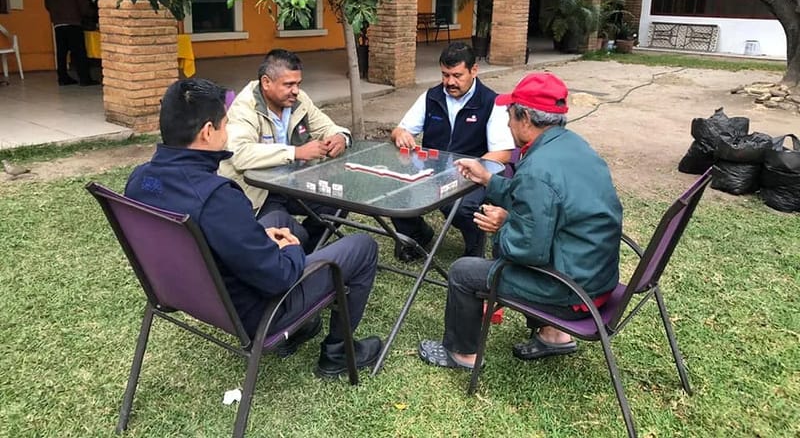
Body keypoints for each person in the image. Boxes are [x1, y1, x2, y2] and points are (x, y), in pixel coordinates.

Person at [125, 78, 382, 377]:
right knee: (362, 247)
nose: (229, 131)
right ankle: (338, 353)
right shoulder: (216, 197)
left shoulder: (140, 179)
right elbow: (279, 277)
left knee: (280, 222)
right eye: (226, 124)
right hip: (257, 313)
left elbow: (218, 235)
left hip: (185, 293)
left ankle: (302, 325)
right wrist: (291, 250)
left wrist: (262, 237)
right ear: (208, 132)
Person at [417, 72, 622, 370]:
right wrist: (488, 179)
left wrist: (504, 227)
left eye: (510, 115)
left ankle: (462, 354)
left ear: (525, 117)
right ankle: (554, 335)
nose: (508, 123)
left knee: (463, 272)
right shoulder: (573, 147)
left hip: (570, 289)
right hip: (596, 276)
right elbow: (540, 200)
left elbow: (527, 250)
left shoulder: (537, 168)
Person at [390, 42, 514, 261]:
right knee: (392, 190)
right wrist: (400, 134)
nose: (450, 82)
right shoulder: (431, 97)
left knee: (458, 205)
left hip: (473, 174)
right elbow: (400, 129)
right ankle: (417, 234)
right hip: (432, 169)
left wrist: (471, 168)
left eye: (457, 75)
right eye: (445, 75)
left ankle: (474, 245)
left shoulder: (491, 102)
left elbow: (503, 153)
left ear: (474, 70)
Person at [219, 49, 352, 253]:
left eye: (298, 83)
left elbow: (326, 126)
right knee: (295, 234)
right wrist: (295, 153)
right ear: (266, 83)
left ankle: (308, 252)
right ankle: (301, 252)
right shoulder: (245, 107)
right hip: (259, 192)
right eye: (289, 84)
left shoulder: (298, 100)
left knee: (340, 201)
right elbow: (239, 154)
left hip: (293, 184)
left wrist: (340, 137)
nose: (296, 90)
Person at [44, 0, 99, 86]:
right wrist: (94, 14)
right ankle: (84, 78)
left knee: (61, 52)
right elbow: (83, 6)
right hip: (74, 23)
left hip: (58, 24)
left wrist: (56, 15)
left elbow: (47, 4)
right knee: (79, 52)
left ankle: (62, 77)